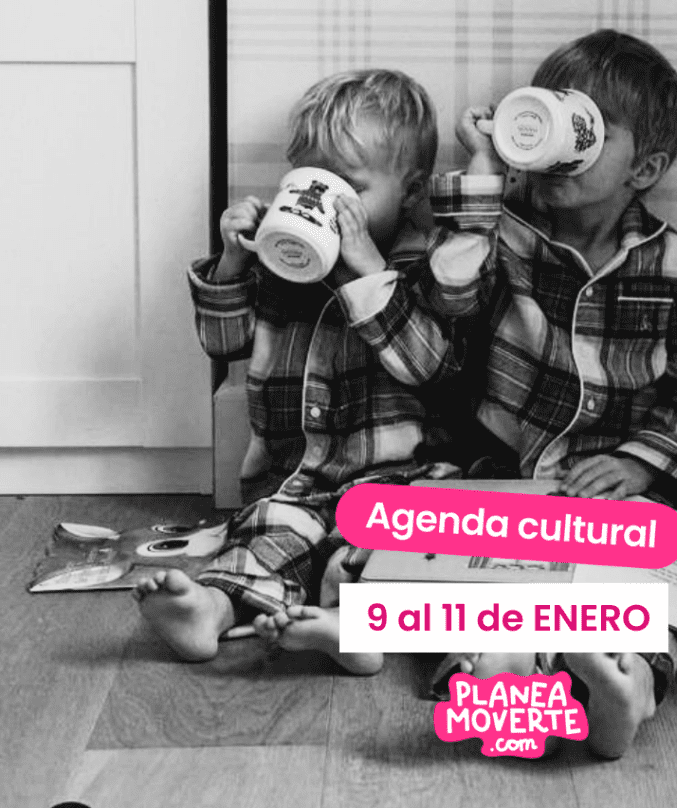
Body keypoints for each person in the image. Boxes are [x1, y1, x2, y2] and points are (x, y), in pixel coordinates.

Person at [424, 29, 677, 758]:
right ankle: (504, 688)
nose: (566, 142)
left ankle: (626, 687)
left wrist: (640, 463)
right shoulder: (505, 227)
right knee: (482, 592)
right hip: (504, 475)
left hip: (605, 487)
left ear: (643, 168)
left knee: (638, 590)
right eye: (557, 114)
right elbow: (448, 296)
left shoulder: (668, 260)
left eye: (590, 128)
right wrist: (487, 165)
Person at [133, 69, 464, 673]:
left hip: (401, 483)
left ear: (411, 190)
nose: (325, 205)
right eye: (311, 181)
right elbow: (223, 342)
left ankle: (353, 626)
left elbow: (429, 366)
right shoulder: (280, 260)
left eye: (350, 189)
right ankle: (210, 609)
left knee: (388, 550)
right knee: (266, 534)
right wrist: (233, 262)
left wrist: (370, 273)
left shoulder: (425, 265)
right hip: (296, 482)